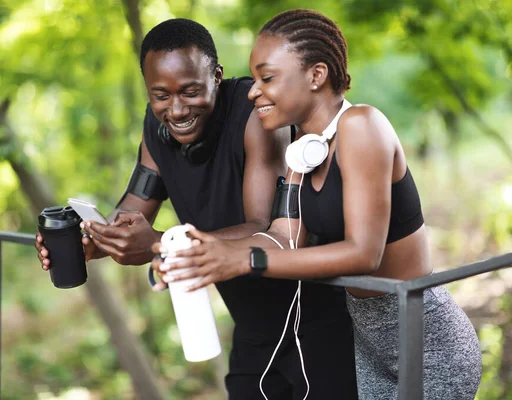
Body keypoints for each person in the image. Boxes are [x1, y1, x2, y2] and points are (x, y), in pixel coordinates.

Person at [152, 9, 483, 400]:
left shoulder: (362, 126)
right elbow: (282, 238)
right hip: (371, 348)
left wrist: (244, 261)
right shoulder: (301, 156)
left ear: (316, 75)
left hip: (425, 343)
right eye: (254, 79)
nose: (253, 92)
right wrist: (203, 254)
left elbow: (364, 254)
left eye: (267, 78)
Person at [35, 18, 358, 399]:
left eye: (190, 91)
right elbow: (132, 211)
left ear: (217, 76)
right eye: (160, 95)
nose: (175, 109)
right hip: (252, 326)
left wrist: (160, 243)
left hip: (313, 321)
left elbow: (264, 226)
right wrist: (95, 241)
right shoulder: (156, 130)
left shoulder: (256, 115)